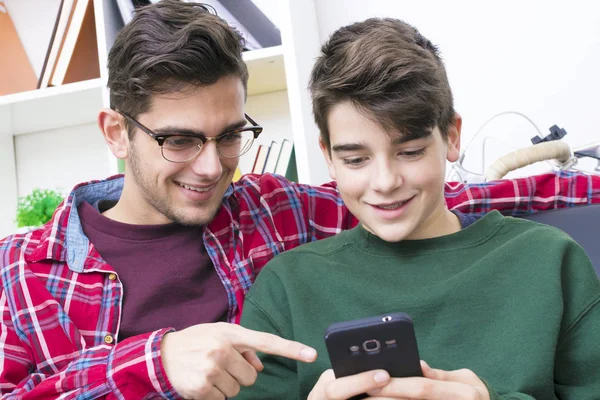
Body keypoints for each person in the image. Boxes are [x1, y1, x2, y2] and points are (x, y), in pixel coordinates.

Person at [0, 1, 597, 399]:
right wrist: (153, 362)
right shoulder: (19, 270)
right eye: (178, 140)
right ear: (115, 133)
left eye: (231, 135)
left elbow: (445, 191)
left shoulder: (276, 211)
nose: (212, 168)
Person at [236, 17, 600, 400]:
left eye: (410, 152)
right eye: (356, 160)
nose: (385, 181)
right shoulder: (286, 288)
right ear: (328, 156)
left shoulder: (548, 261)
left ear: (451, 136)